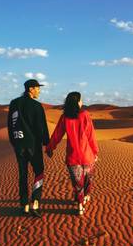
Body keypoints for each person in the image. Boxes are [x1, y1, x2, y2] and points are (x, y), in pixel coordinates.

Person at [46, 92, 98, 216]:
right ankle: (85, 197)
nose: (82, 102)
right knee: (87, 179)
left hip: (72, 156)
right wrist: (95, 151)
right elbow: (91, 135)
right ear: (77, 102)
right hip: (87, 155)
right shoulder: (85, 115)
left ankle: (80, 205)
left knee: (77, 183)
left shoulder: (64, 117)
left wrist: (50, 147)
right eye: (81, 100)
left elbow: (57, 135)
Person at [7, 79, 50, 217]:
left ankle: (24, 204)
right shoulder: (37, 106)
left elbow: (10, 124)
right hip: (33, 145)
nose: (39, 90)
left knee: (23, 174)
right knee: (39, 173)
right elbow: (41, 127)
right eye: (37, 88)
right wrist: (47, 144)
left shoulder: (14, 103)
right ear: (31, 89)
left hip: (19, 144)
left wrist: (14, 141)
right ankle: (35, 202)